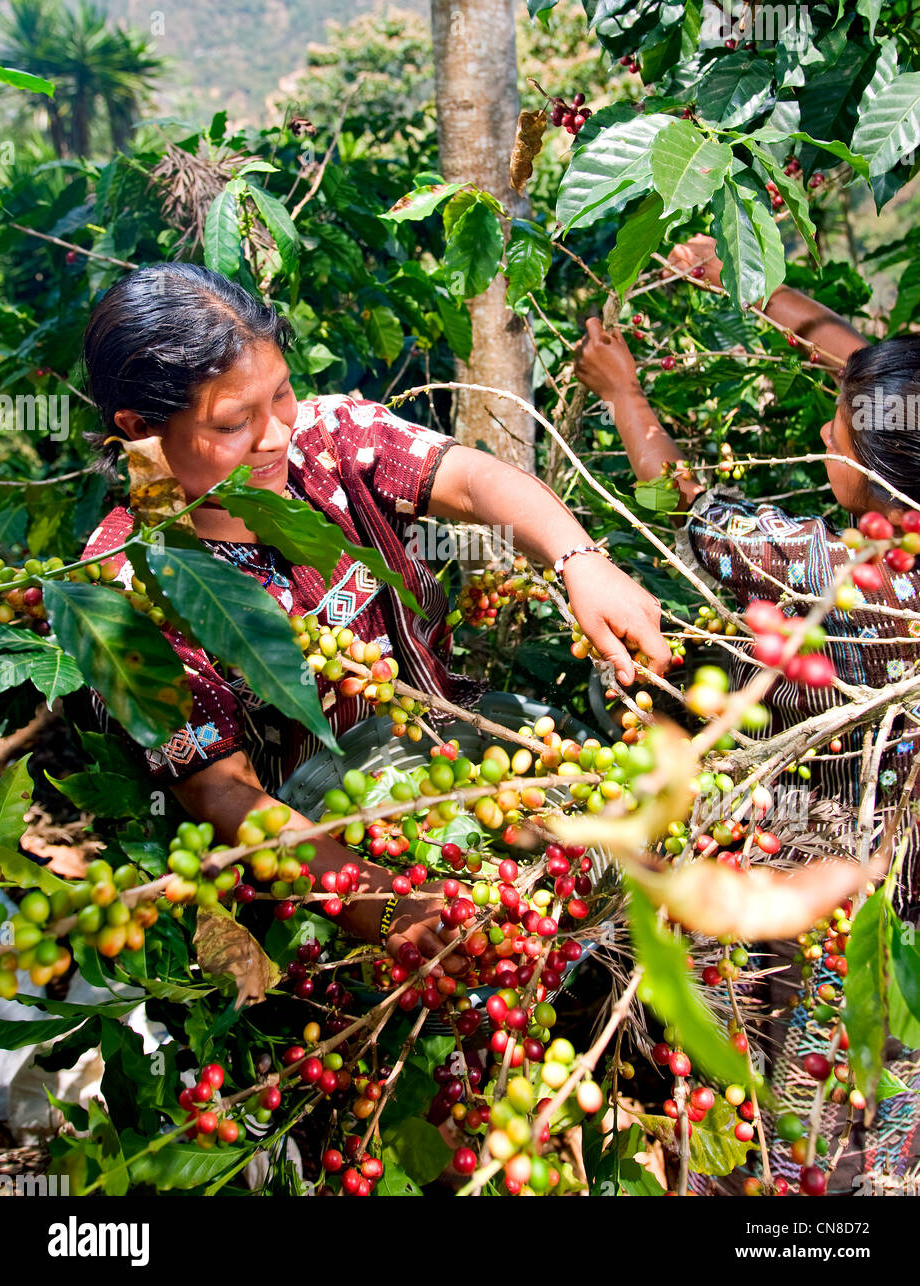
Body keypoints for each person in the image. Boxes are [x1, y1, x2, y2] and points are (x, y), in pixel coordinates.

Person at [78, 261, 669, 976]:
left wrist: (580, 559)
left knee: (603, 875)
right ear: (140, 429)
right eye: (233, 423)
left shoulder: (329, 441)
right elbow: (220, 789)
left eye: (283, 393)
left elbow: (475, 483)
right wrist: (380, 901)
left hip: (458, 753)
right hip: (323, 857)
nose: (274, 436)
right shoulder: (126, 584)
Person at [575, 233, 920, 1195]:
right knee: (885, 1119)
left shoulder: (830, 576)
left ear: (885, 478)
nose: (826, 438)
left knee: (772, 1132)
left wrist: (622, 393)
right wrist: (748, 280)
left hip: (794, 903)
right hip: (909, 922)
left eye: (840, 436)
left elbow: (687, 506)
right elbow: (871, 375)